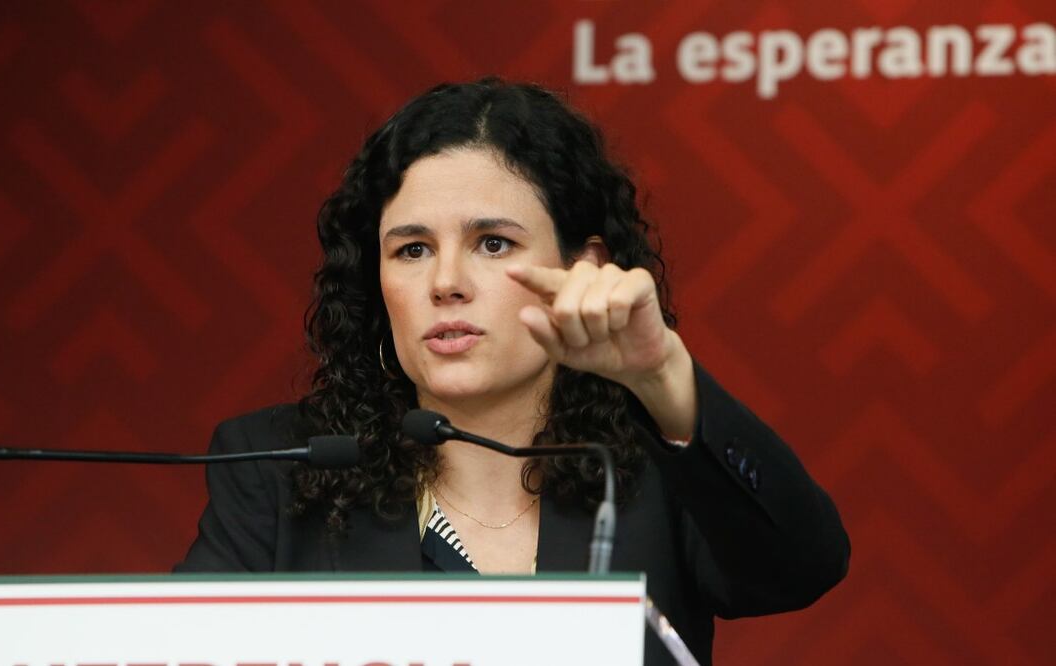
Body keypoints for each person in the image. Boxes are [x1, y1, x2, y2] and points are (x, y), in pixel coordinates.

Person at [176, 78, 849, 665]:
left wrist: (664, 376)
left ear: (582, 267)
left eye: (492, 244)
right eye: (411, 249)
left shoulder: (659, 466)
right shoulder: (280, 468)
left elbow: (802, 570)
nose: (445, 283)